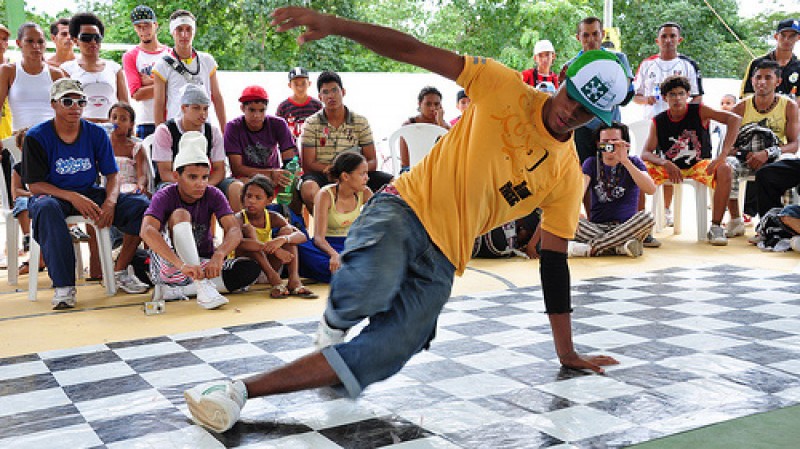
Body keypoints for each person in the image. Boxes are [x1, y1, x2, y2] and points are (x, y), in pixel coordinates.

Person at [183, 6, 629, 433]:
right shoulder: (502, 84)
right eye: (573, 98)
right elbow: (413, 50)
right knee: (373, 280)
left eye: (587, 112)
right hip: (404, 209)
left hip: (445, 258)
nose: (571, 113)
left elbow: (553, 260)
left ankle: (239, 391)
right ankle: (330, 325)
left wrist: (566, 350)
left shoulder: (567, 175)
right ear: (564, 78)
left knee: (390, 351)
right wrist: (334, 25)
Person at [22, 79, 151, 308]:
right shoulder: (36, 136)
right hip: (53, 196)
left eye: (80, 101)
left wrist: (111, 202)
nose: (75, 106)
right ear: (54, 104)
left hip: (89, 192)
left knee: (140, 205)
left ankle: (120, 270)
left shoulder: (96, 133)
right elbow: (34, 185)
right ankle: (64, 287)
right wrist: (71, 196)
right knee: (46, 208)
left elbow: (112, 175)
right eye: (68, 101)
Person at [140, 131, 261, 308]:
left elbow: (234, 229)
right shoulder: (165, 195)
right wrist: (181, 265)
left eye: (204, 177)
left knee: (249, 268)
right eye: (192, 177)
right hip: (172, 266)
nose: (200, 183)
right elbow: (147, 230)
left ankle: (178, 291)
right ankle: (201, 287)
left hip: (203, 264)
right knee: (180, 214)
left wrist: (219, 254)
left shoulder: (213, 194)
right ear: (176, 176)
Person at [640, 75, 740, 246]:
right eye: (672, 94)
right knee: (639, 170)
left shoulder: (699, 110)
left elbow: (734, 119)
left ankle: (716, 226)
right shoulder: (659, 120)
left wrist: (723, 154)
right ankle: (641, 230)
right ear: (665, 98)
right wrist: (664, 162)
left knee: (725, 168)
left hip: (700, 164)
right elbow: (645, 153)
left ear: (688, 95)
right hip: (671, 166)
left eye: (681, 94)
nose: (677, 98)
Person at [633, 22, 704, 234]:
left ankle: (666, 209)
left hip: (679, 127)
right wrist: (646, 100)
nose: (668, 40)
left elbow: (698, 96)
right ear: (657, 40)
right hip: (652, 123)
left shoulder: (688, 64)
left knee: (675, 164)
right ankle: (642, 216)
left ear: (679, 40)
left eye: (672, 36)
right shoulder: (647, 64)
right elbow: (634, 96)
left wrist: (685, 114)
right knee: (645, 165)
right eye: (664, 36)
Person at [298, 70, 392, 215]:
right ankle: (325, 229)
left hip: (357, 174)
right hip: (325, 175)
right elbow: (308, 164)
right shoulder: (311, 123)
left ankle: (375, 229)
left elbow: (372, 160)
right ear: (320, 97)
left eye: (335, 90)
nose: (331, 96)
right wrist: (337, 174)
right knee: (308, 188)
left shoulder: (360, 121)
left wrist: (356, 174)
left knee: (394, 184)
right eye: (326, 92)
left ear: (343, 92)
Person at [727, 60, 799, 237]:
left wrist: (767, 153)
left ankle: (780, 222)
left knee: (787, 163)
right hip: (746, 156)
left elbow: (794, 145)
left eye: (768, 77)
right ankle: (736, 220)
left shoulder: (789, 106)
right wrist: (747, 154)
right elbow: (728, 146)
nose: (762, 82)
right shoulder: (741, 107)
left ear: (778, 82)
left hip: (776, 155)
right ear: (752, 81)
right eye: (758, 77)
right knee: (727, 166)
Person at [567, 122, 656, 258]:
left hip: (627, 226)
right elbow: (579, 191)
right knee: (569, 218)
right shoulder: (591, 163)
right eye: (605, 142)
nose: (609, 145)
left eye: (615, 141)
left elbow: (650, 189)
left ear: (625, 143)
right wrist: (576, 211)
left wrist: (625, 161)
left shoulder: (634, 162)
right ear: (598, 144)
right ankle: (619, 247)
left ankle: (592, 248)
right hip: (597, 227)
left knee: (648, 217)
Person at [233, 175, 317, 298]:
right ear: (242, 198)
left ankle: (294, 280)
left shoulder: (273, 217)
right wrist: (274, 249)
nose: (251, 201)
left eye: (258, 198)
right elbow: (238, 243)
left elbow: (302, 236)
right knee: (248, 231)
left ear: (269, 200)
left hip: (270, 265)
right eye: (248, 196)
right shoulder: (238, 218)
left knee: (287, 230)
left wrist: (283, 239)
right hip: (247, 269)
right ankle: (275, 280)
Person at [297, 152, 373, 283]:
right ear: (345, 176)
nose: (367, 178)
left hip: (351, 245)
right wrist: (333, 255)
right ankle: (351, 274)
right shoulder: (325, 195)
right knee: (301, 249)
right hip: (327, 247)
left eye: (366, 173)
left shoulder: (365, 193)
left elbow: (378, 223)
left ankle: (348, 273)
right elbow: (318, 239)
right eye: (362, 174)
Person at [221, 85, 295, 212]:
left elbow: (290, 160)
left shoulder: (278, 124)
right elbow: (236, 168)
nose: (257, 115)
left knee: (293, 183)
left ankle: (290, 224)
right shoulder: (233, 127)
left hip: (273, 178)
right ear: (242, 108)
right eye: (252, 110)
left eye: (261, 110)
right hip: (245, 177)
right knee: (237, 187)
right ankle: (241, 228)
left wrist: (284, 175)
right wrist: (270, 174)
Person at [152, 9, 226, 129]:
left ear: (194, 32)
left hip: (204, 126)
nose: (184, 35)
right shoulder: (162, 65)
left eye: (188, 29)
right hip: (175, 127)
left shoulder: (207, 61)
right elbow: (159, 104)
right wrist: (160, 134)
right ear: (172, 32)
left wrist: (224, 130)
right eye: (179, 29)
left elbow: (217, 97)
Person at [151, 84, 225, 188]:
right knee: (167, 188)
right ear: (184, 108)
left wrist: (204, 186)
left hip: (205, 184)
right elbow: (165, 173)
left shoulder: (213, 132)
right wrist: (190, 187)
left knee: (235, 187)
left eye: (205, 109)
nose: (202, 113)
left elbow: (219, 170)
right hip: (173, 184)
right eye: (196, 108)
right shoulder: (165, 131)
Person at [60, 13, 128, 123]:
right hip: (81, 130)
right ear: (75, 40)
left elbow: (125, 105)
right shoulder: (67, 70)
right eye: (86, 38)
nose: (93, 42)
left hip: (111, 130)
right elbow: (63, 107)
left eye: (97, 38)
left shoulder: (115, 68)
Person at [0, 23, 68, 132]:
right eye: (30, 41)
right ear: (19, 43)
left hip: (51, 138)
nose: (36, 46)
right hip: (20, 139)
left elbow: (66, 110)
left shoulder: (57, 74)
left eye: (40, 42)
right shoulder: (8, 71)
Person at [122, 5, 169, 139]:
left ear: (155, 25)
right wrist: (164, 82)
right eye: (139, 26)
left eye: (147, 25)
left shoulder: (170, 54)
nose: (143, 30)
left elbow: (178, 86)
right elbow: (137, 93)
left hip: (171, 117)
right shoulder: (131, 56)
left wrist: (150, 82)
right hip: (147, 121)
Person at [740, 18, 800, 101]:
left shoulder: (798, 66)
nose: (787, 40)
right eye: (783, 35)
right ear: (776, 36)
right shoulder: (757, 63)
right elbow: (746, 94)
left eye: (792, 36)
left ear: (798, 38)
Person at [398, 86, 450, 172]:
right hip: (412, 170)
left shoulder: (443, 126)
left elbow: (452, 151)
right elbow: (405, 162)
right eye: (428, 104)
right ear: (419, 104)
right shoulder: (409, 126)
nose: (432, 108)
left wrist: (441, 123)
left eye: (436, 104)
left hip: (438, 170)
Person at [109, 102, 149, 196]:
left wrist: (140, 185)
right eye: (114, 118)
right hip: (107, 188)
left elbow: (141, 175)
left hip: (129, 189)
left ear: (131, 124)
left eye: (123, 119)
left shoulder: (136, 148)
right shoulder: (102, 145)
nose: (117, 122)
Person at [276, 67, 323, 139]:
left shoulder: (317, 106)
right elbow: (277, 132)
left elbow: (323, 129)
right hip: (291, 149)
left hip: (313, 147)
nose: (300, 87)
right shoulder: (283, 107)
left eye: (303, 83)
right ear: (289, 85)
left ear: (309, 83)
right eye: (296, 84)